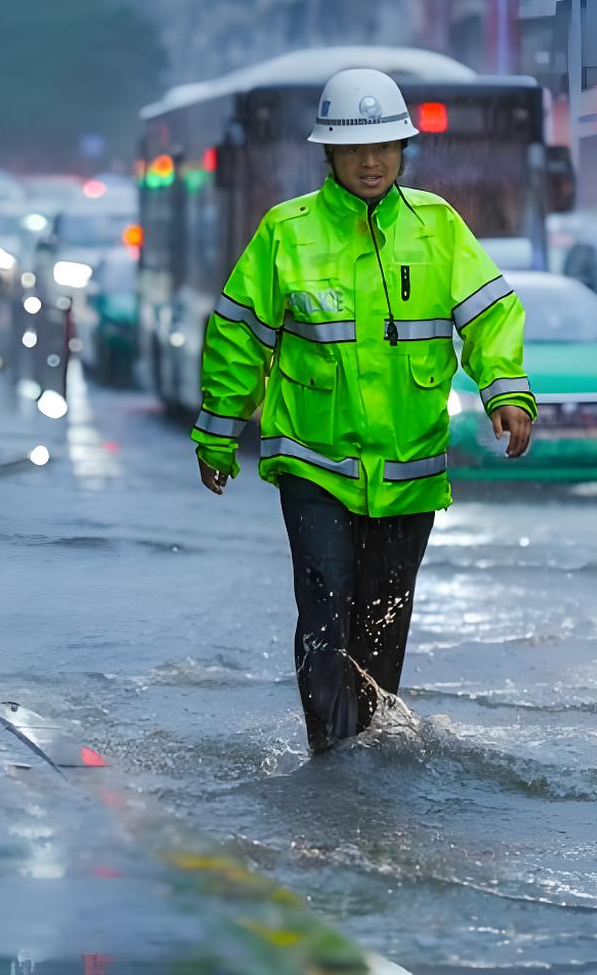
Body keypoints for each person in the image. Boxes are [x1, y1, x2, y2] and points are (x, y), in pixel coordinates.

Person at [191, 68, 535, 753]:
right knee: (325, 615)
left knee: (384, 621)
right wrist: (219, 434)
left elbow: (490, 315)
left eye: (384, 147)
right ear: (330, 155)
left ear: (404, 150)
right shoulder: (286, 234)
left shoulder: (437, 228)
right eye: (355, 150)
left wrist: (506, 390)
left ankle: (373, 748)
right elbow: (238, 336)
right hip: (313, 470)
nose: (371, 162)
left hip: (409, 472)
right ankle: (333, 757)